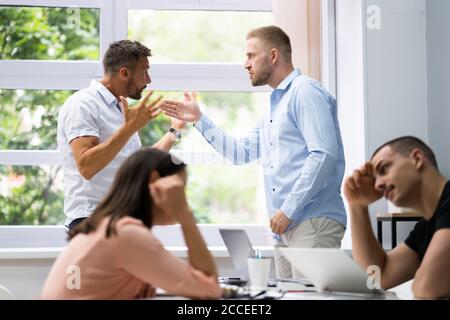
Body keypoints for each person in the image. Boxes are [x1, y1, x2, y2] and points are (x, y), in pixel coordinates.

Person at [159, 25, 347, 280]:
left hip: (311, 221)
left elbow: (324, 154)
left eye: (250, 55)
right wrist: (199, 119)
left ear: (273, 56)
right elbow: (240, 153)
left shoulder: (305, 92)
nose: (245, 64)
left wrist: (289, 210)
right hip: (285, 226)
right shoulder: (274, 107)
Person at [41, 148, 222, 299]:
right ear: (154, 181)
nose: (183, 196)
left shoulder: (106, 226)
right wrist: (184, 215)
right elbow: (209, 290)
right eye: (181, 187)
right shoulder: (125, 234)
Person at [57, 40, 185, 230]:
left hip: (121, 219)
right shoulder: (83, 104)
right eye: (145, 71)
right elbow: (86, 166)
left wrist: (176, 129)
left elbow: (140, 165)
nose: (148, 80)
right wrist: (129, 129)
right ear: (124, 73)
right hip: (93, 221)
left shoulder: (119, 108)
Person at [344, 136, 450, 299]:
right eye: (374, 179)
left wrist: (421, 279)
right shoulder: (424, 228)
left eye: (384, 169)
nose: (378, 184)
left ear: (416, 159)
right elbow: (376, 279)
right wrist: (357, 205)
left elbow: (428, 288)